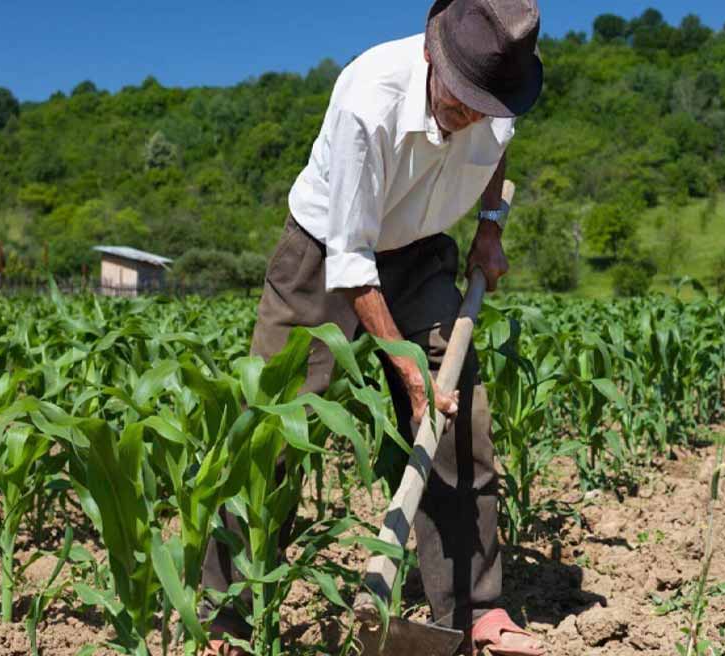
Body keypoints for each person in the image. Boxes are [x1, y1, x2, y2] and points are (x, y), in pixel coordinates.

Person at [200, 1, 546, 654]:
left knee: (458, 415)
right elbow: (352, 261)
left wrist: (491, 229)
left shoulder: (501, 97)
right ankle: (225, 616)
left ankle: (474, 609)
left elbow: (496, 156)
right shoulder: (369, 97)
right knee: (274, 423)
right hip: (325, 251)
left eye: (485, 102)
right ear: (430, 52)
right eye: (462, 95)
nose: (472, 112)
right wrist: (407, 370)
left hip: (422, 248)